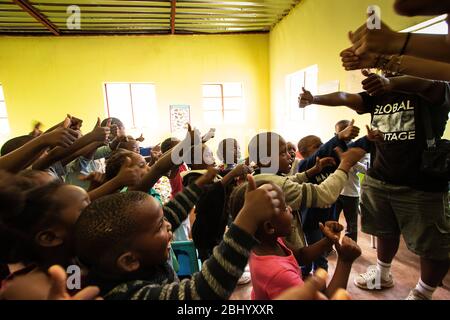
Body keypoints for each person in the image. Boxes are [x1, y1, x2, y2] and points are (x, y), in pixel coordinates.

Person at [299, 74, 450, 299]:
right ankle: (382, 274)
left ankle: (423, 292)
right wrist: (314, 99)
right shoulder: (379, 95)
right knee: (384, 231)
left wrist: (392, 82)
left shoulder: (432, 88)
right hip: (380, 179)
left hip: (420, 183)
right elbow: (345, 97)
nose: (384, 70)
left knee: (432, 245)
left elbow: (427, 83)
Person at [74, 172, 282, 300]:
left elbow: (172, 211)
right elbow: (201, 294)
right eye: (159, 227)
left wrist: (199, 185)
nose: (168, 224)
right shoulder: (125, 295)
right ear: (129, 260)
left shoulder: (136, 250)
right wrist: (247, 220)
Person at [229, 179, 361, 300]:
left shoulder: (266, 243)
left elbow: (301, 255)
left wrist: (329, 240)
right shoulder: (280, 275)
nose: (290, 209)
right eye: (285, 208)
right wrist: (345, 260)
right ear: (269, 227)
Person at [334, 120, 370, 242]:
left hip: (351, 194)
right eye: (341, 133)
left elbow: (366, 170)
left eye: (348, 132)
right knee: (332, 221)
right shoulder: (334, 148)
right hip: (335, 192)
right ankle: (329, 245)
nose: (345, 137)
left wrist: (351, 161)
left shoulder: (361, 149)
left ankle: (350, 246)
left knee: (352, 224)